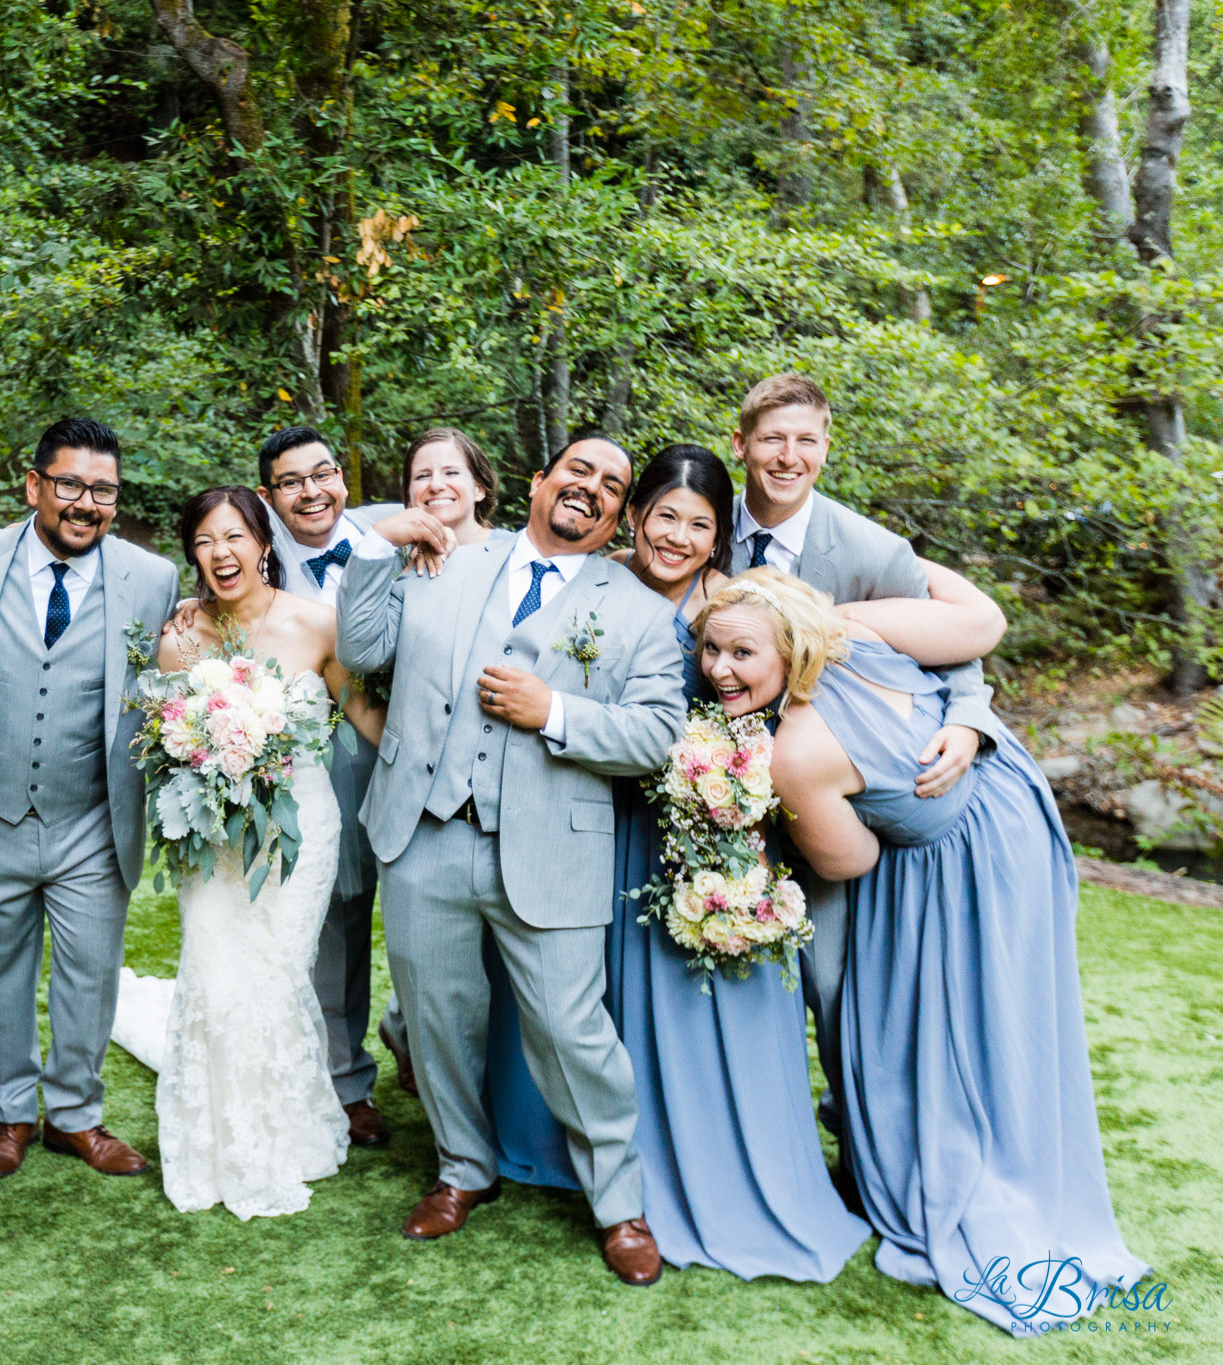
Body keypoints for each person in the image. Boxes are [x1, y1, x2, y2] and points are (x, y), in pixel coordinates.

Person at [697, 568, 1148, 1328]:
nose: (719, 669)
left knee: (951, 1030)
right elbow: (977, 616)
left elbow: (851, 862)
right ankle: (1028, 1154)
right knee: (1013, 1013)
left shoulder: (793, 755)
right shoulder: (856, 631)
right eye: (711, 649)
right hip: (1016, 811)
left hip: (953, 865)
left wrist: (771, 814)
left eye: (743, 652)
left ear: (789, 646)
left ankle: (977, 1173)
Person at [486, 443, 876, 1277]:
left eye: (699, 524)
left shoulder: (737, 605)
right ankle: (573, 1149)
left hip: (712, 834)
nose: (677, 536)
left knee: (698, 1008)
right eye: (664, 515)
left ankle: (709, 1166)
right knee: (584, 1000)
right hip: (602, 819)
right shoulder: (590, 584)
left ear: (718, 535)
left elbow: (828, 672)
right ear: (636, 517)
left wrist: (968, 714)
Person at [338, 436, 682, 1283]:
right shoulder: (447, 557)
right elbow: (363, 650)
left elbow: (658, 734)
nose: (591, 489)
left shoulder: (638, 610)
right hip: (424, 829)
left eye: (611, 486)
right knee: (438, 1017)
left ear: (619, 516)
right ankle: (463, 1167)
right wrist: (378, 546)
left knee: (571, 1029)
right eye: (578, 471)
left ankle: (619, 1204)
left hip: (553, 845)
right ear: (538, 482)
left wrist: (554, 710)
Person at [723, 373, 1001, 1184]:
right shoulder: (703, 526)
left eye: (806, 440)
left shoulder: (869, 547)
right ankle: (744, 1149)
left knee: (838, 982)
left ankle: (860, 1150)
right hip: (721, 792)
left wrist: (969, 718)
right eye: (772, 438)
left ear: (826, 448)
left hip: (835, 793)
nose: (789, 456)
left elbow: (954, 641)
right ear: (741, 444)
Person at [111, 487, 385, 1218]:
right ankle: (217, 1143)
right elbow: (165, 741)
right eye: (204, 541)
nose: (220, 552)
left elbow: (365, 716)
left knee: (276, 977)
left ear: (264, 543)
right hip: (216, 842)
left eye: (234, 536)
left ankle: (283, 1137)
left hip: (300, 835)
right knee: (216, 975)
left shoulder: (317, 623)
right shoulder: (179, 639)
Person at [0, 418, 180, 1180]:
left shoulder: (153, 578)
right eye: (70, 484)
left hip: (93, 818)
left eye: (104, 490)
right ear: (33, 484)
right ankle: (9, 1112)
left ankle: (76, 1114)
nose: (86, 503)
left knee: (90, 973)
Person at [250, 427, 401, 1146]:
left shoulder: (397, 532)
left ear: (343, 476)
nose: (311, 492)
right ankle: (346, 1082)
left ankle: (412, 1033)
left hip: (413, 756)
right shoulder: (254, 562)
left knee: (431, 914)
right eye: (291, 481)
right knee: (338, 922)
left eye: (323, 473)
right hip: (322, 765)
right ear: (268, 496)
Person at [378, 428, 509, 1104]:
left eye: (451, 472)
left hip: (506, 793)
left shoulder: (520, 556)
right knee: (431, 962)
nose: (435, 484)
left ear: (480, 485)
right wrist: (390, 544)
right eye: (421, 475)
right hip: (420, 798)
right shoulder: (398, 566)